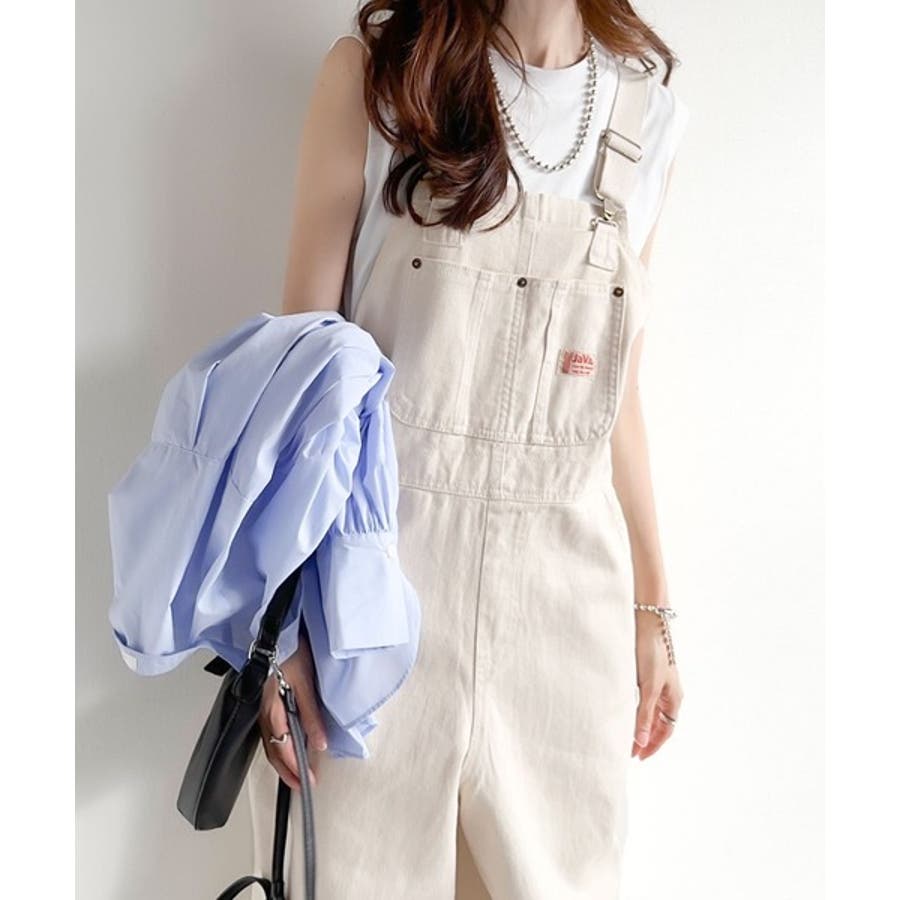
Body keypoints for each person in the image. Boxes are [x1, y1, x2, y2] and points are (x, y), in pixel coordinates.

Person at [247, 1, 688, 896]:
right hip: (372, 603)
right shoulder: (378, 80)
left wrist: (654, 608)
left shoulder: (648, 117)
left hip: (566, 613)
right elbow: (300, 384)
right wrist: (278, 626)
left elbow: (617, 399)